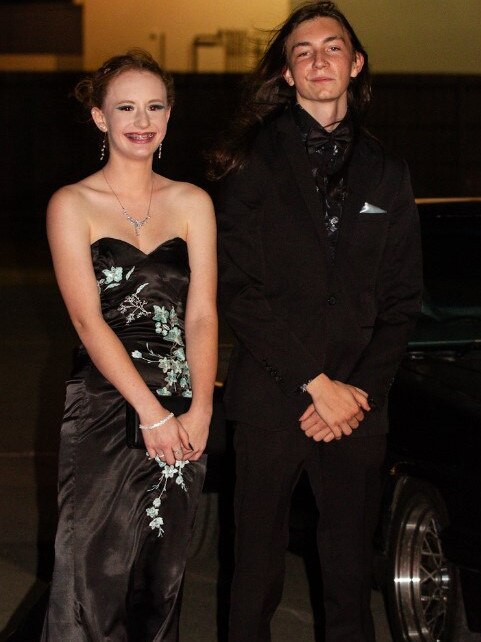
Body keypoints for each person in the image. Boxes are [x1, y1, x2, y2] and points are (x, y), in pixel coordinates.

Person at [211, 2, 422, 640]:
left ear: (356, 65)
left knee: (350, 579)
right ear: (287, 71)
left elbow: (403, 300)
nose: (319, 60)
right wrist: (314, 382)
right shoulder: (247, 162)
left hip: (359, 405)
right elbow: (237, 289)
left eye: (333, 48)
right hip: (274, 399)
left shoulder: (388, 171)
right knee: (255, 579)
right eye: (304, 51)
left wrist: (355, 392)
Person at [42, 50, 217, 641]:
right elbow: (89, 323)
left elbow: (203, 313)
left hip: (182, 409)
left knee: (160, 579)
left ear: (168, 117)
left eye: (154, 106)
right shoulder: (71, 204)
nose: (141, 120)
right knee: (95, 577)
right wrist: (152, 414)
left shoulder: (193, 202)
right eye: (125, 107)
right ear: (99, 117)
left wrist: (200, 410)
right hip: (105, 406)